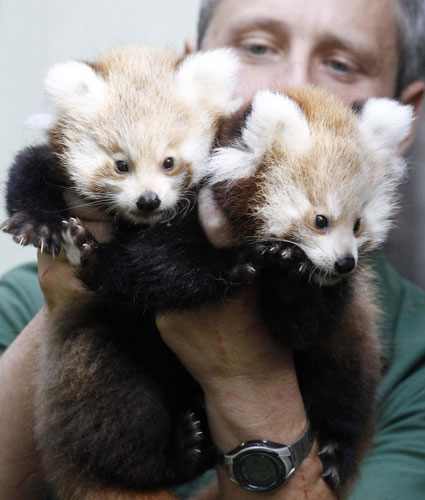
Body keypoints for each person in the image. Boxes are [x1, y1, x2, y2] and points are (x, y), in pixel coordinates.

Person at [1, 0, 425, 499]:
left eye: (341, 64)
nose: (289, 80)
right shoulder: (26, 296)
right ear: (196, 71)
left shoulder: (411, 352)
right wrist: (69, 293)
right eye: (257, 48)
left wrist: (242, 372)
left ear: (408, 115)